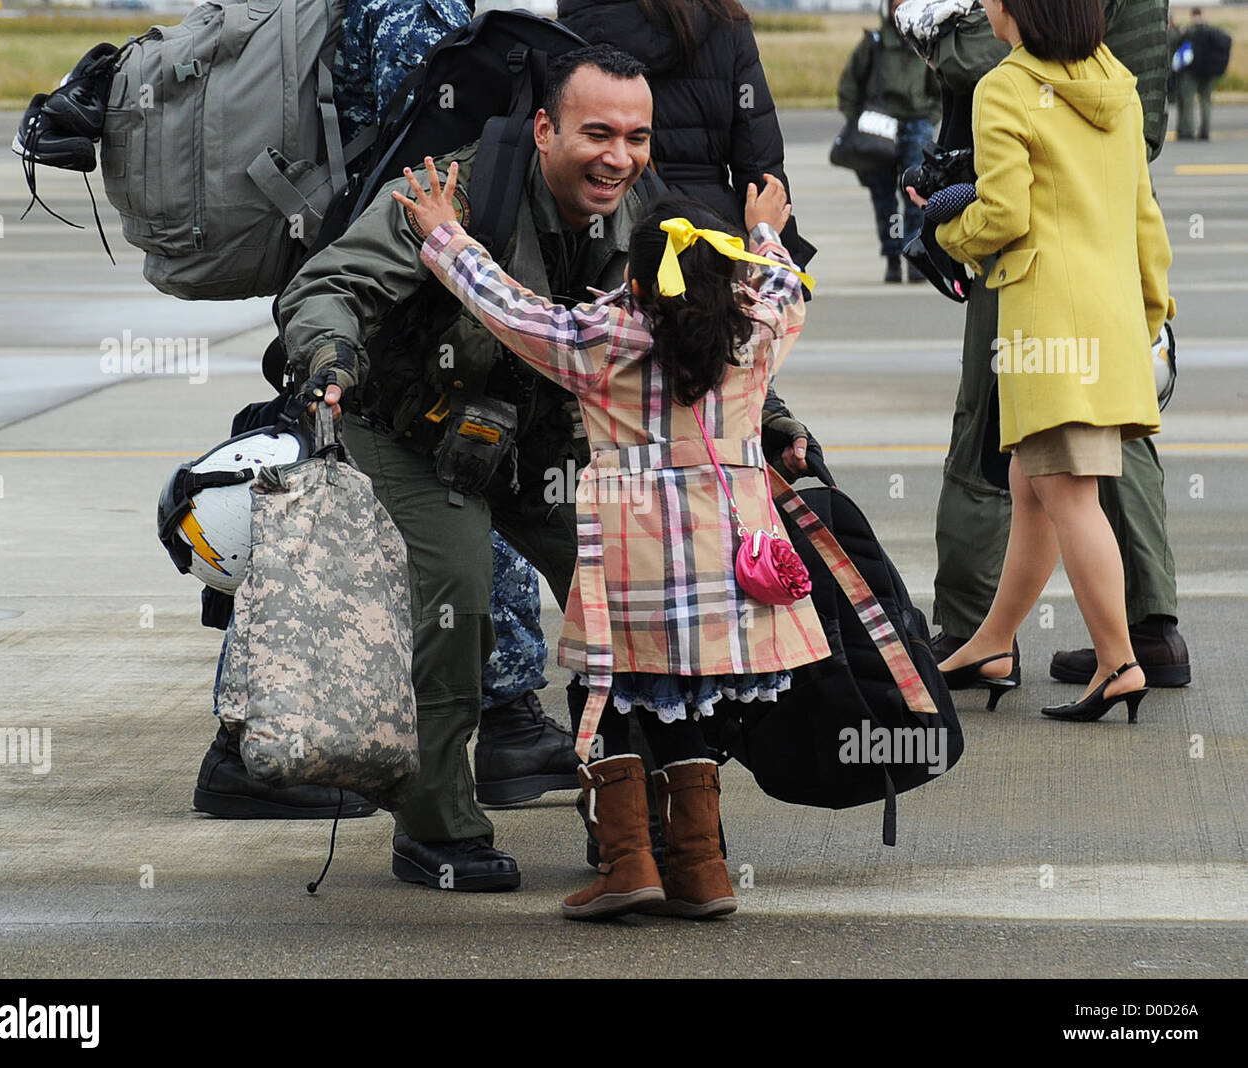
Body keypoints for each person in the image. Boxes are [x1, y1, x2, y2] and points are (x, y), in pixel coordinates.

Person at [279, 45, 820, 891]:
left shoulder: (647, 208)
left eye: (637, 136)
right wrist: (328, 355)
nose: (619, 156)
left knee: (644, 604)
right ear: (543, 129)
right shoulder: (443, 195)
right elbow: (328, 283)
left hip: (545, 441)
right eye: (597, 133)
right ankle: (436, 826)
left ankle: (632, 837)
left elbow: (702, 334)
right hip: (413, 430)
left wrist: (778, 422)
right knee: (456, 594)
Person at [396, 156, 825, 918]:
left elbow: (510, 309)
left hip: (632, 564)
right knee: (690, 706)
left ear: (639, 278)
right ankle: (701, 871)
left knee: (611, 696)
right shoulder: (756, 334)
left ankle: (629, 863)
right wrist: (766, 228)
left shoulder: (604, 341)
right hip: (727, 573)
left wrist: (444, 235)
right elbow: (783, 283)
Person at [190, 0, 581, 820]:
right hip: (402, 301)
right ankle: (260, 752)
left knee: (466, 559)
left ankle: (512, 726)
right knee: (368, 563)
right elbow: (436, 147)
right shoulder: (417, 14)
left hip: (455, 335)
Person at [903, 0, 1191, 690]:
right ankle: (993, 643)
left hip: (1045, 326)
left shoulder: (1006, 84)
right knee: (1032, 487)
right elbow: (1144, 217)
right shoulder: (1115, 83)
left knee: (1067, 494)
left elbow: (1004, 211)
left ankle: (1119, 663)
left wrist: (943, 232)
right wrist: (1150, 313)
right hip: (1111, 319)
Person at [557, 0, 817, 272]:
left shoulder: (572, 23)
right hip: (709, 235)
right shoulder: (723, 19)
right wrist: (782, 260)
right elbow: (758, 163)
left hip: (602, 230)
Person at [838, 0, 942, 283]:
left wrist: (928, 118)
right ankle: (893, 257)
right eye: (895, 5)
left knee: (915, 194)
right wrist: (857, 121)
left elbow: (941, 86)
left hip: (915, 125)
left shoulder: (926, 43)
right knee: (883, 198)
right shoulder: (873, 44)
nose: (900, 10)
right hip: (879, 129)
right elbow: (849, 86)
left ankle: (915, 257)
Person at [1173, 7, 1217, 141]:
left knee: (1188, 102)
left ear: (1193, 15)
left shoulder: (1190, 30)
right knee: (1206, 101)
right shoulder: (1210, 30)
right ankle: (1205, 130)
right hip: (1207, 72)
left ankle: (1187, 131)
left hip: (1191, 72)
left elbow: (1177, 42)